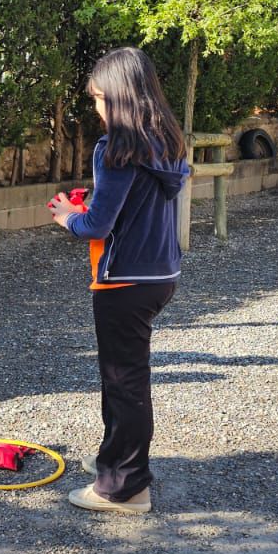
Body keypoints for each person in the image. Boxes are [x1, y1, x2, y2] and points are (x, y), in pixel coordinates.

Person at [45, 46, 188, 514]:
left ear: (117, 97)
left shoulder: (116, 150)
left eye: (97, 98)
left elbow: (97, 226)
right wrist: (90, 208)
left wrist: (67, 215)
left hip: (123, 281)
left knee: (125, 383)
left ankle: (126, 488)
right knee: (124, 379)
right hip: (159, 274)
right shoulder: (166, 144)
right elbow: (131, 210)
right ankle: (115, 460)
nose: (96, 108)